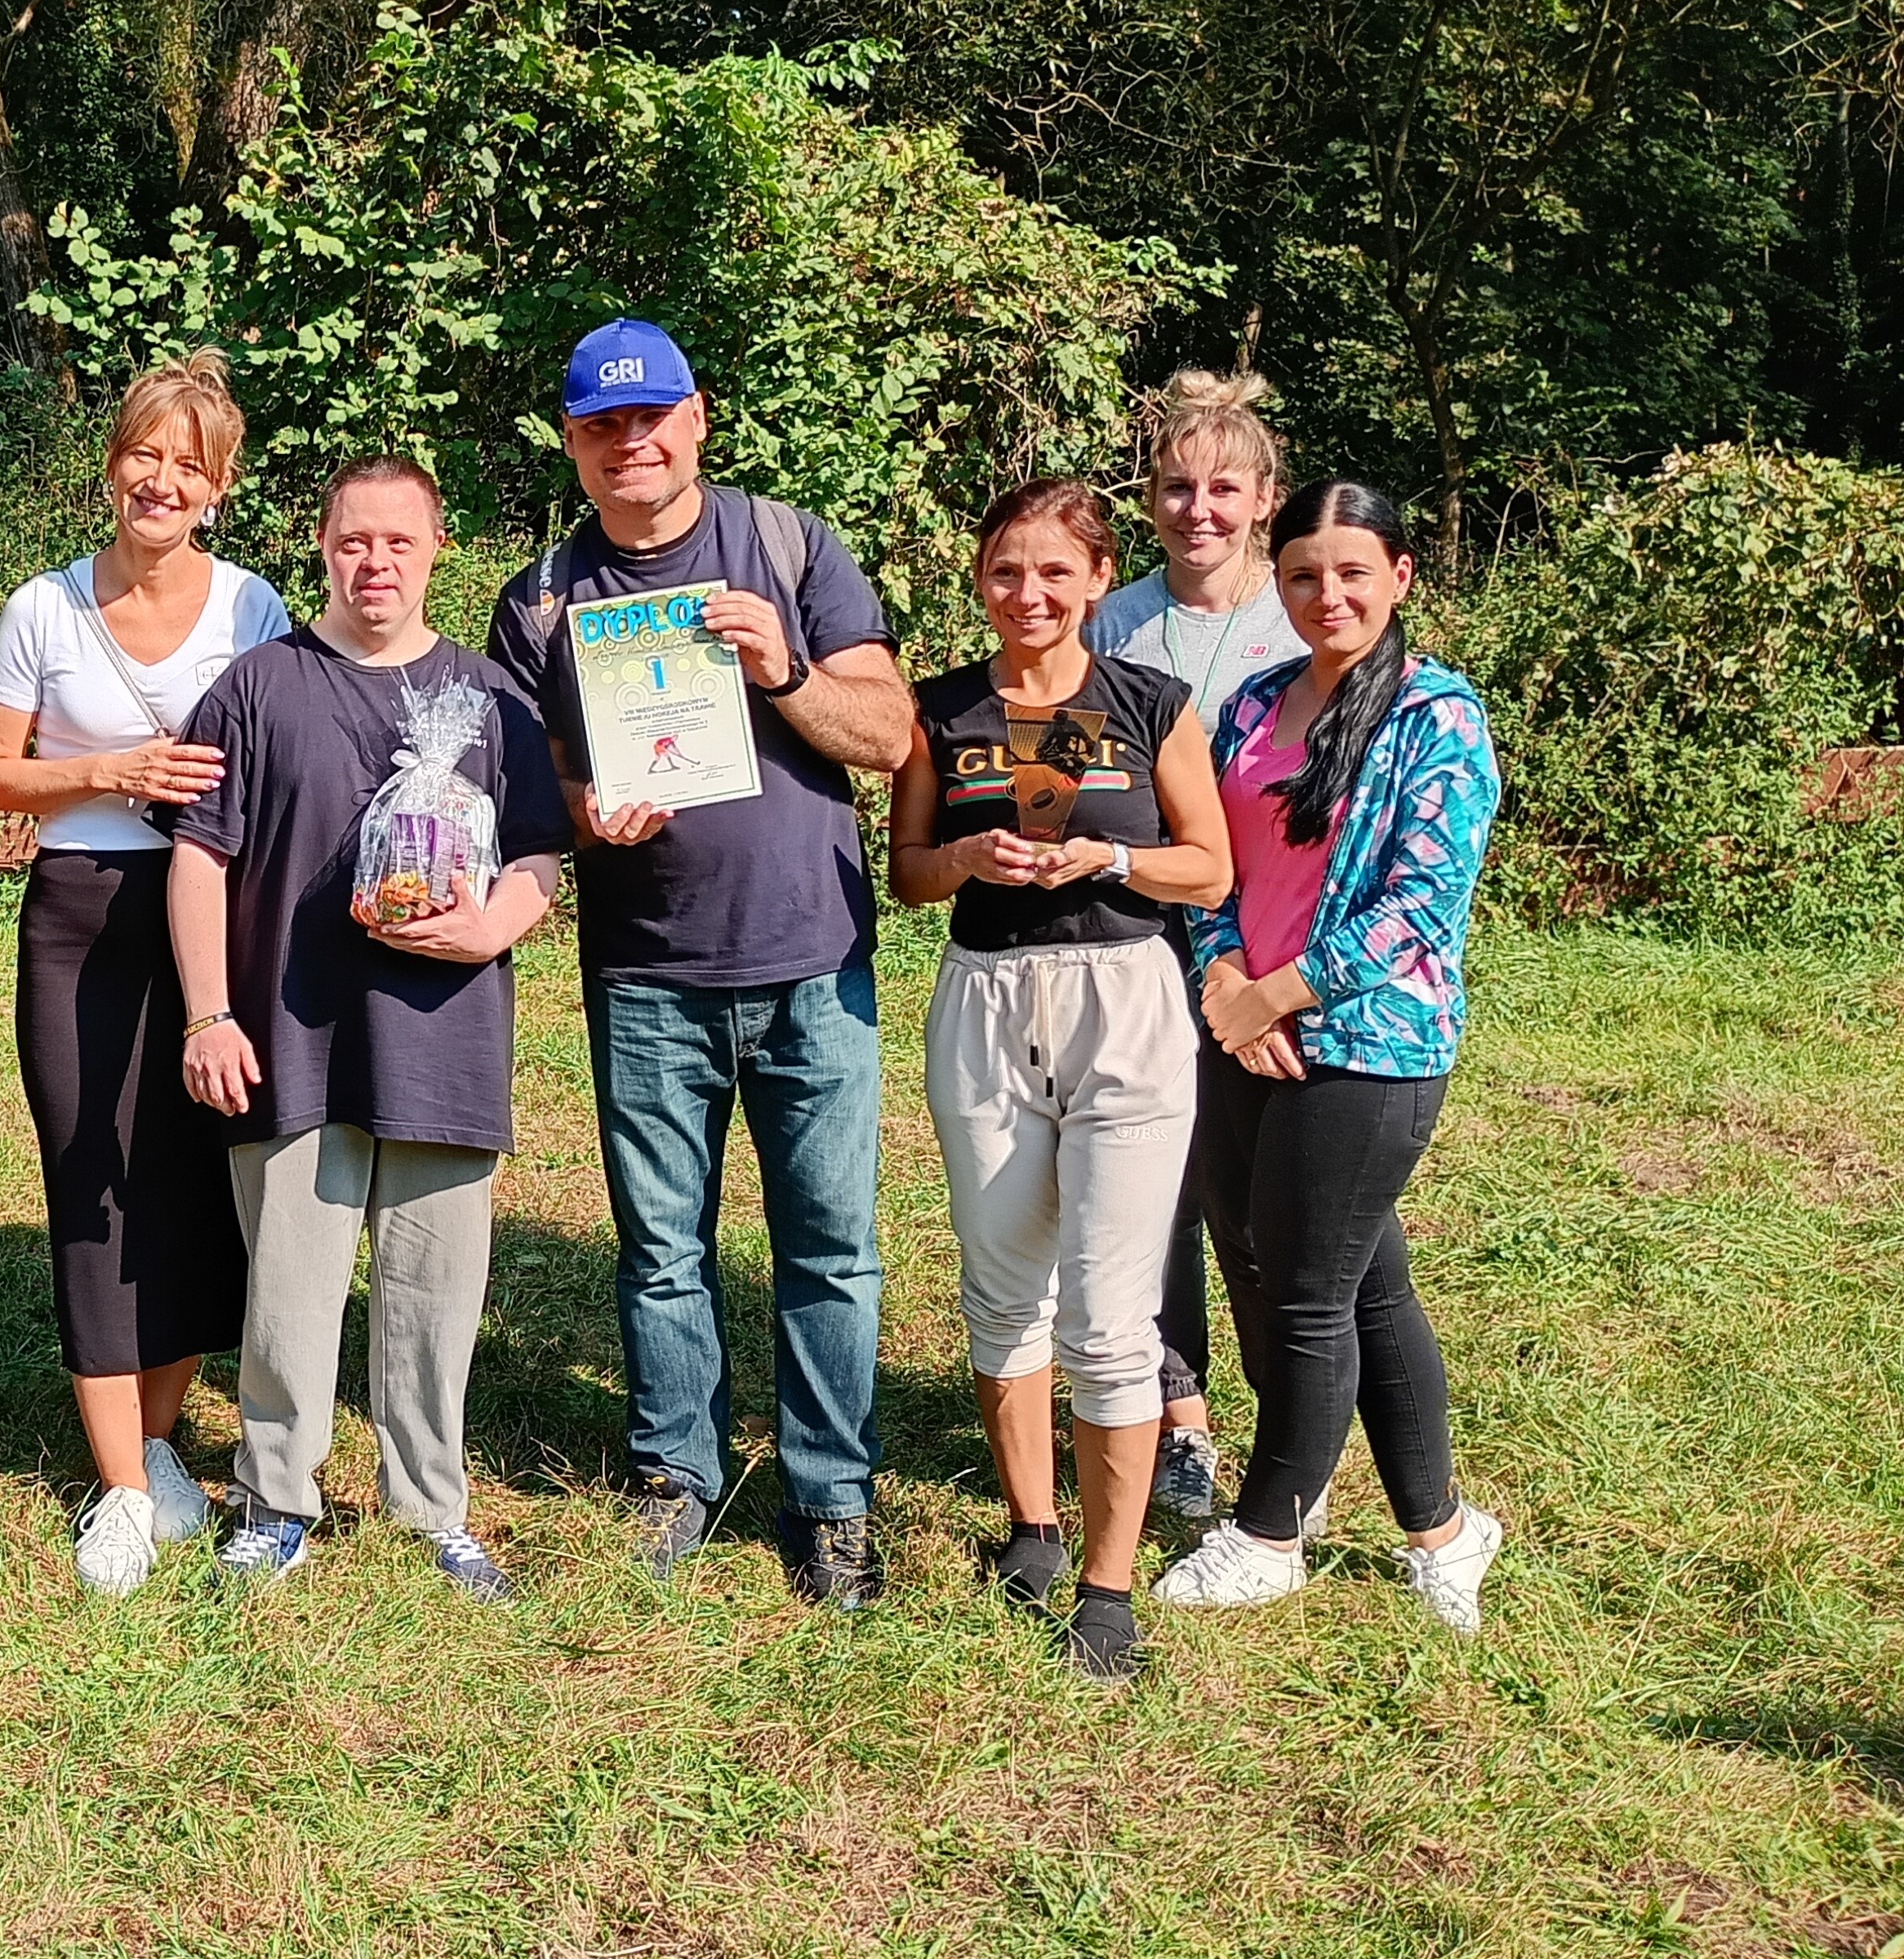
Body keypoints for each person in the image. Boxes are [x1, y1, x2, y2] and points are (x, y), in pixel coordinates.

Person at [484, 319, 913, 1600]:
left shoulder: (790, 548)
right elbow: (537, 783)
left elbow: (887, 733)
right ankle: (680, 1474)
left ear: (698, 419)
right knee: (661, 1246)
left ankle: (831, 1496)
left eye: (651, 417)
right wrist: (586, 809)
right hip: (647, 971)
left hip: (809, 960)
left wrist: (783, 670)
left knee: (830, 1242)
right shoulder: (542, 597)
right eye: (602, 425)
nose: (631, 443)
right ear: (572, 442)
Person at [168, 456, 569, 1600]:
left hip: (444, 1036)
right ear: (324, 547)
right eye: (353, 541)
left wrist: (495, 925)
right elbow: (200, 853)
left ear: (438, 547)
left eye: (398, 541)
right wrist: (209, 1010)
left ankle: (432, 1504)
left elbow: (541, 850)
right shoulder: (258, 687)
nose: (374, 562)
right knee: (288, 1285)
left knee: (438, 1286)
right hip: (295, 1030)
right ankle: (277, 1494)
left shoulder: (493, 701)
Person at [888, 481, 1234, 1682]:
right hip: (985, 1000)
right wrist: (968, 854)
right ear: (979, 580)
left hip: (1126, 997)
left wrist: (1112, 854)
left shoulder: (1151, 703)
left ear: (1097, 580)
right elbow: (911, 877)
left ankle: (1107, 1583)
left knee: (1109, 1314)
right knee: (1000, 1288)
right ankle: (1032, 1531)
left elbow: (1208, 867)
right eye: (1003, 572)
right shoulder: (941, 710)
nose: (1026, 595)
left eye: (1052, 573)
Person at [1151, 480, 1507, 1633]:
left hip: (1365, 1048)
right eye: (1304, 574)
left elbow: (1421, 907)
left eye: (1353, 571)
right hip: (1240, 1032)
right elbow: (1205, 860)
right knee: (1357, 1284)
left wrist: (1277, 997)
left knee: (1308, 1293)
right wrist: (1221, 982)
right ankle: (1445, 1531)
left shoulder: (1436, 718)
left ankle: (1268, 1533)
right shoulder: (1255, 702)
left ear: (1400, 577)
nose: (1328, 594)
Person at [0, 355, 291, 1594]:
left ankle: (157, 1445)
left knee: (203, 1184)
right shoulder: (42, 608)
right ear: (113, 465)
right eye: (143, 455)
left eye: (188, 466)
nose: (161, 480)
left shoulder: (253, 608)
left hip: (219, 920)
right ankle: (114, 1491)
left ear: (217, 490)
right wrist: (114, 773)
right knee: (94, 1180)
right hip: (81, 918)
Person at [1084, 368, 1305, 1524]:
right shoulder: (1116, 624)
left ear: (1266, 499)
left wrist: (1271, 974)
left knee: (1260, 1205)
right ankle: (1182, 1422)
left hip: (1268, 955)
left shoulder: (1301, 617)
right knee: (1152, 1196)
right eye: (1177, 487)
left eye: (1225, 488)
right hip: (1137, 941)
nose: (1199, 510)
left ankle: (1293, 1428)